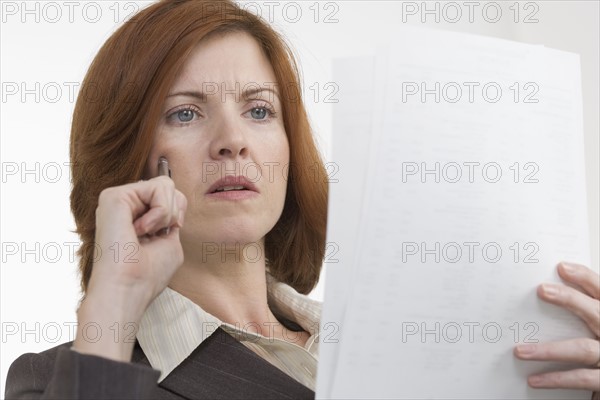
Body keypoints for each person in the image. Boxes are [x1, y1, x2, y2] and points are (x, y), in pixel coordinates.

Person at [4, 0, 599, 399]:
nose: (234, 141)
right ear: (130, 161)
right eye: (185, 113)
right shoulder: (60, 377)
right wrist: (114, 302)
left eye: (260, 110)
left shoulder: (407, 340)